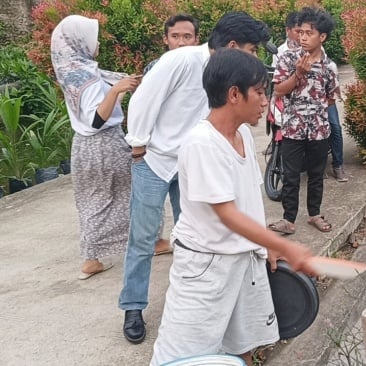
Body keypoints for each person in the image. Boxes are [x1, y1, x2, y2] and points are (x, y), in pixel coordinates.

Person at [150, 47, 316, 366]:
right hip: (206, 268)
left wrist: (264, 244)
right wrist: (283, 245)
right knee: (183, 357)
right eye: (259, 92)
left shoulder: (242, 134)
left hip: (244, 260)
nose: (266, 101)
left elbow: (249, 198)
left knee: (242, 346)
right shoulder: (202, 143)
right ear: (234, 94)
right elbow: (227, 215)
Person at [119, 11, 272, 345]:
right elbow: (144, 98)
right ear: (233, 46)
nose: (255, 59)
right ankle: (133, 306)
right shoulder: (182, 60)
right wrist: (138, 144)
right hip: (156, 160)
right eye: (252, 50)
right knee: (144, 236)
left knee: (193, 239)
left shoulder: (231, 78)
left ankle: (191, 307)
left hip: (198, 165)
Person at [50, 15, 141, 280]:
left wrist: (120, 88)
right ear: (80, 41)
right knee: (133, 192)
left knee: (92, 201)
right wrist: (117, 91)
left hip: (83, 148)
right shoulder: (87, 78)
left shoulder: (73, 71)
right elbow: (96, 118)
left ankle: (91, 257)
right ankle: (150, 242)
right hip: (105, 144)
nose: (97, 42)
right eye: (94, 37)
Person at [268, 6, 339, 235]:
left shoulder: (329, 67)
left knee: (317, 174)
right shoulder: (288, 58)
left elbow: (330, 99)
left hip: (319, 129)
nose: (303, 37)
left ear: (322, 36)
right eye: (301, 33)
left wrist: (314, 113)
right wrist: (297, 75)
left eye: (309, 33)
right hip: (292, 128)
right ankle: (288, 220)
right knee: (290, 176)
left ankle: (314, 215)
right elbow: (278, 90)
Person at [143, 14, 201, 256]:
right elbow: (145, 110)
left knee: (187, 215)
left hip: (189, 155)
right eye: (175, 36)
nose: (181, 42)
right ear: (165, 39)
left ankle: (186, 258)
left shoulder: (205, 70)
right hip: (157, 156)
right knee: (147, 218)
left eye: (187, 36)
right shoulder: (154, 69)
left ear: (197, 40)